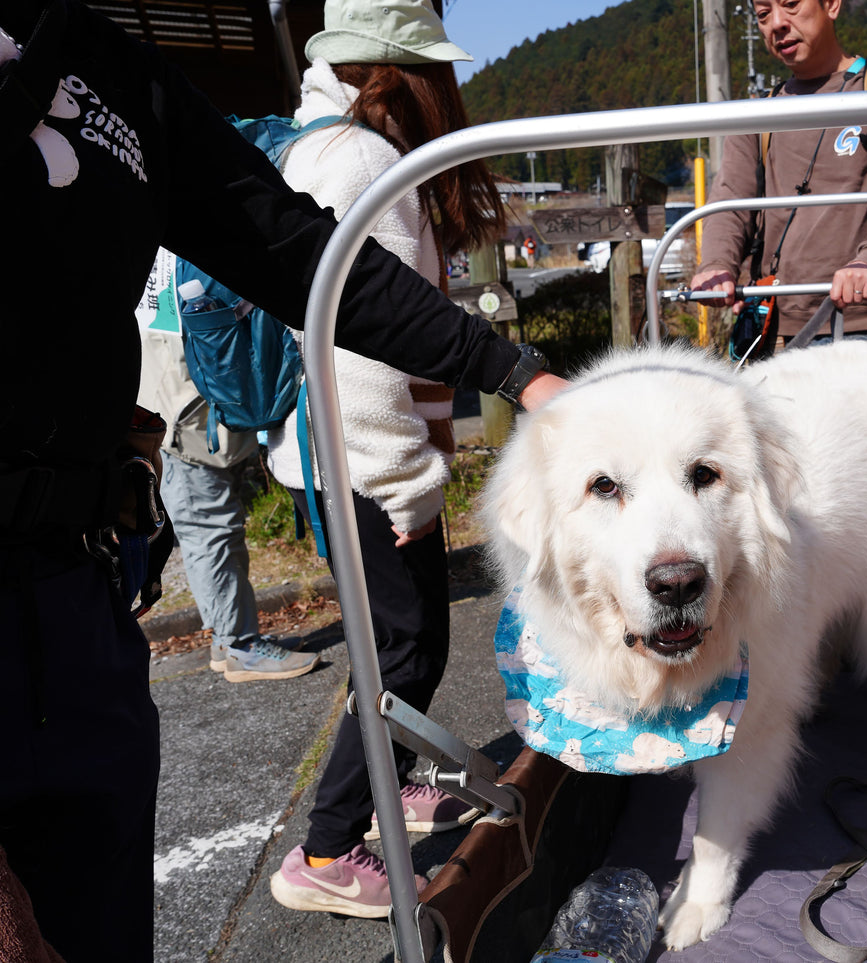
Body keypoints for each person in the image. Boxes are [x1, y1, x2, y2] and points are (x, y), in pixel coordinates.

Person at [0, 1, 565, 959]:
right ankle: (333, 843)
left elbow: (303, 256)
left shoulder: (108, 65)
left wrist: (521, 374)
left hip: (77, 597)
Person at [259, 0, 504, 919]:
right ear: (395, 76)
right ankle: (324, 848)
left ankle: (385, 789)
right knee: (401, 650)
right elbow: (362, 354)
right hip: (369, 463)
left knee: (401, 644)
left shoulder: (315, 144)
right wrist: (410, 486)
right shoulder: (365, 161)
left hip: (327, 455)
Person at [688, 0, 867, 351]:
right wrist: (717, 265)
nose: (777, 24)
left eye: (791, 5)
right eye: (763, 14)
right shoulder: (757, 113)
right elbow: (730, 204)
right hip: (770, 328)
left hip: (863, 325)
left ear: (831, 5)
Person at [135, 249, 319, 682]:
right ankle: (239, 646)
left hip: (178, 401)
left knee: (217, 528)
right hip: (184, 413)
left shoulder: (149, 233)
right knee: (210, 530)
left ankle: (231, 640)